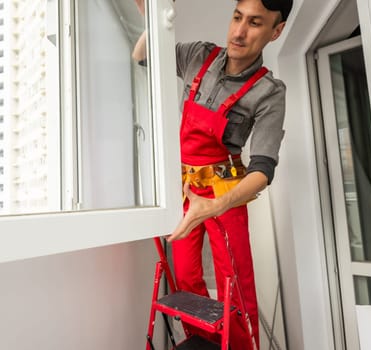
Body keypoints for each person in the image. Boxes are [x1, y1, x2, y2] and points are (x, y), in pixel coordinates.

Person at [133, 0, 292, 349]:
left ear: (275, 31)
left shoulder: (269, 92)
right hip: (185, 191)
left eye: (254, 23)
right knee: (187, 278)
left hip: (226, 193)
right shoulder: (198, 56)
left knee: (236, 285)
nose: (239, 31)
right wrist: (153, 21)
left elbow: (263, 169)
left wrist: (217, 205)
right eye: (237, 17)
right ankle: (204, 344)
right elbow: (142, 58)